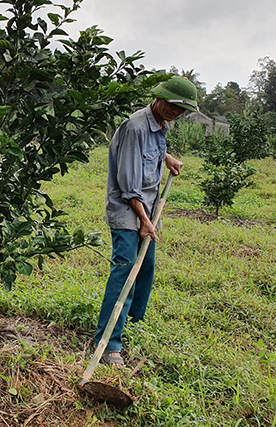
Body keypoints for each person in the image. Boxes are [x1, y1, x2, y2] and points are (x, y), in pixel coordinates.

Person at [94, 76, 199, 366]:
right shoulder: (135, 126)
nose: (176, 114)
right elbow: (128, 184)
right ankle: (109, 343)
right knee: (126, 273)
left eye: (182, 111)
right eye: (174, 106)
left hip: (148, 210)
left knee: (146, 269)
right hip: (130, 211)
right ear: (159, 98)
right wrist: (143, 220)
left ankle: (129, 322)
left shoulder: (159, 126)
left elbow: (150, 151)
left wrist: (167, 158)